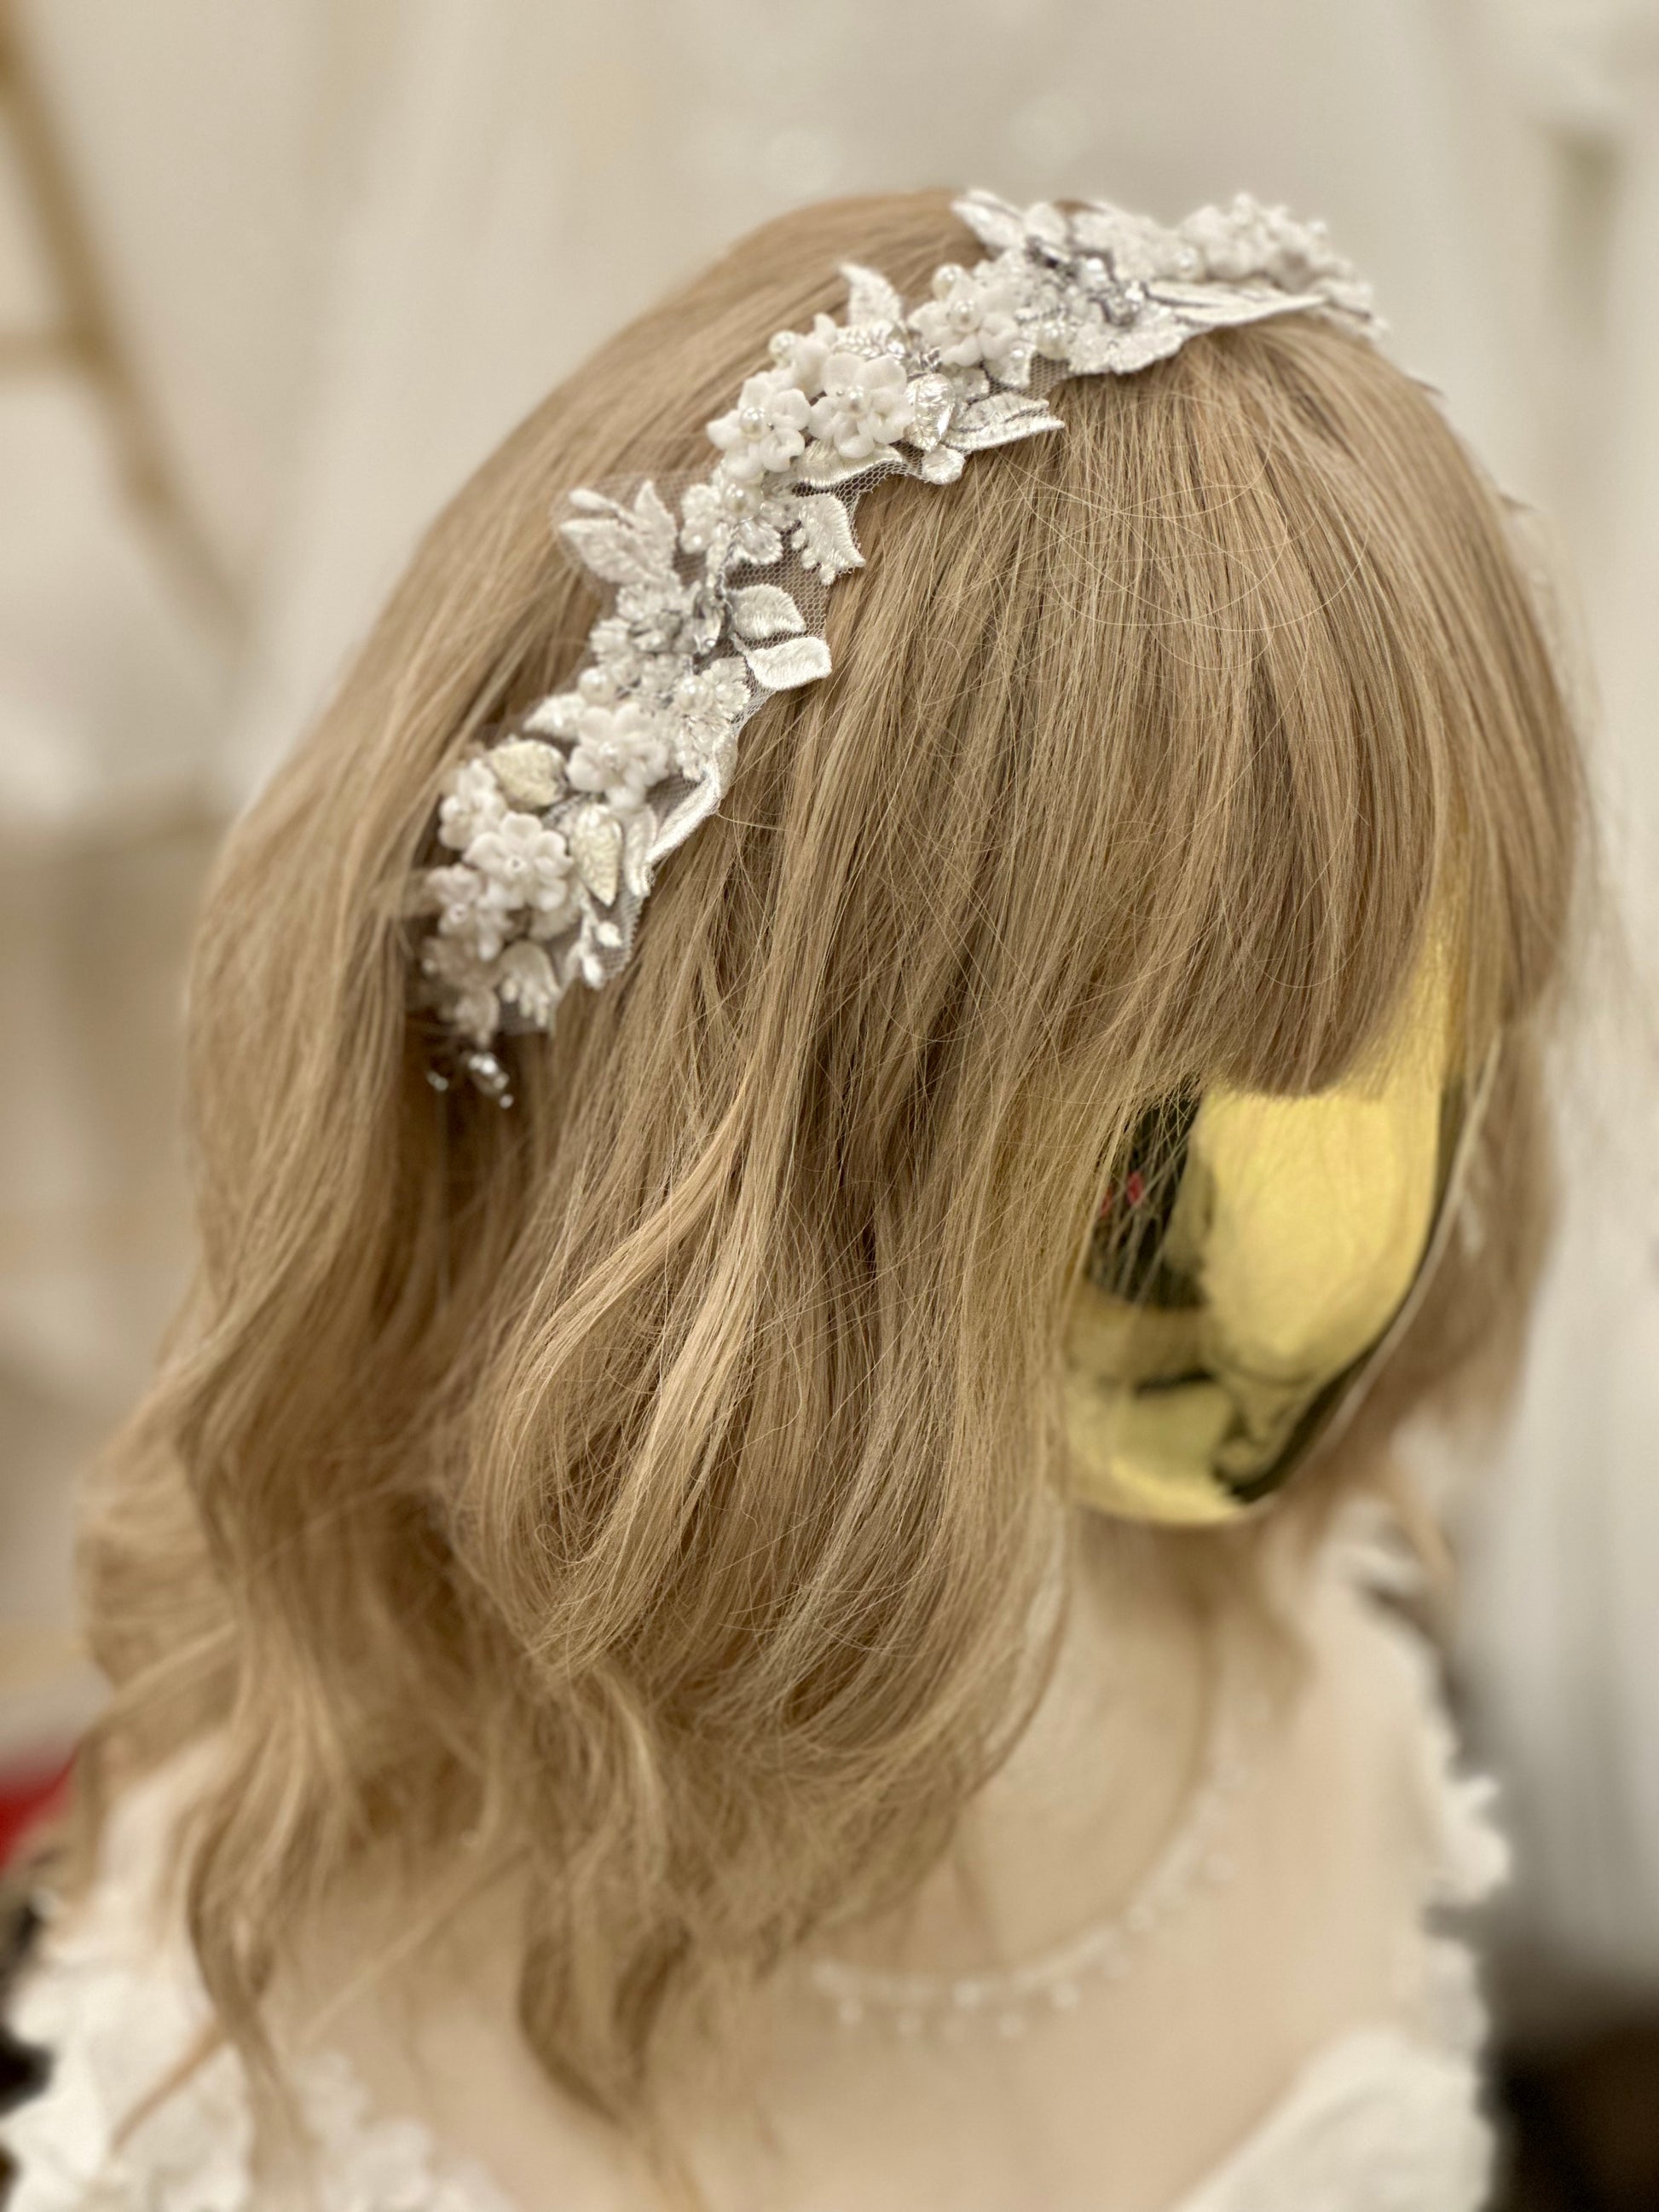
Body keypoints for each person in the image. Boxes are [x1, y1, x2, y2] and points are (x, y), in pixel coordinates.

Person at [0, 188, 1583, 2211]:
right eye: (1135, 1148)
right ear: (742, 1172)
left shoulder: (1322, 1694)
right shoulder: (309, 2003)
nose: (1286, 1271)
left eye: (1404, 1082)